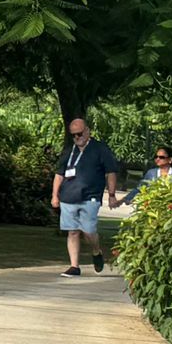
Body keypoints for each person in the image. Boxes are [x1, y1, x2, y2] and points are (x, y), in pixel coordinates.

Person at [51, 116, 121, 277]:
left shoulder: (100, 149)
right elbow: (59, 174)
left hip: (90, 197)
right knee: (73, 231)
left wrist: (111, 194)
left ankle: (96, 251)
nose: (77, 137)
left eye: (80, 134)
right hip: (68, 197)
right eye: (73, 135)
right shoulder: (69, 150)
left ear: (87, 131)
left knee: (88, 231)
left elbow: (111, 172)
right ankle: (74, 266)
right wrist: (55, 195)